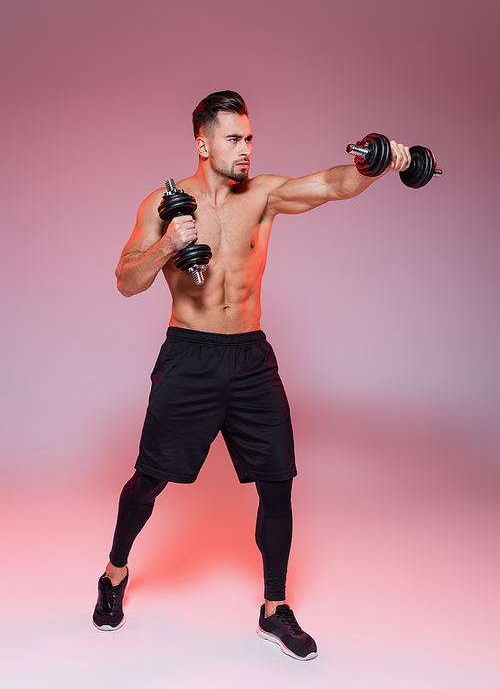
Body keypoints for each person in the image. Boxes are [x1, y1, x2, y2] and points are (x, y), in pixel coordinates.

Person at [93, 91, 411, 661]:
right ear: (203, 143)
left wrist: (379, 163)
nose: (245, 150)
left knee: (277, 481)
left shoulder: (262, 195)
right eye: (235, 139)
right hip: (188, 358)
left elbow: (333, 184)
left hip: (250, 361)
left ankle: (274, 609)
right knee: (150, 480)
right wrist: (169, 243)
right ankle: (114, 574)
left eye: (249, 139)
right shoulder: (161, 204)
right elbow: (125, 280)